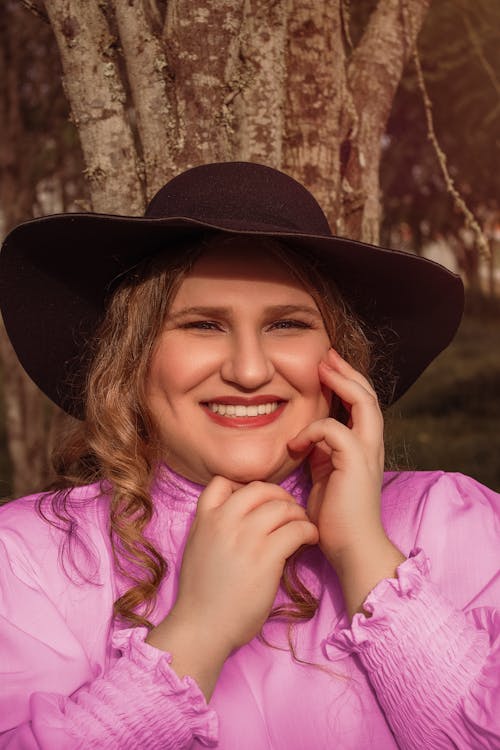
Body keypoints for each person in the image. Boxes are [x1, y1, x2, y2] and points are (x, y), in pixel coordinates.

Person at [0, 161, 498, 750]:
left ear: (340, 358)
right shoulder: (29, 556)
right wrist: (198, 635)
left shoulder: (450, 519)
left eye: (286, 324)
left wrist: (364, 554)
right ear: (132, 361)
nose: (249, 370)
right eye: (203, 325)